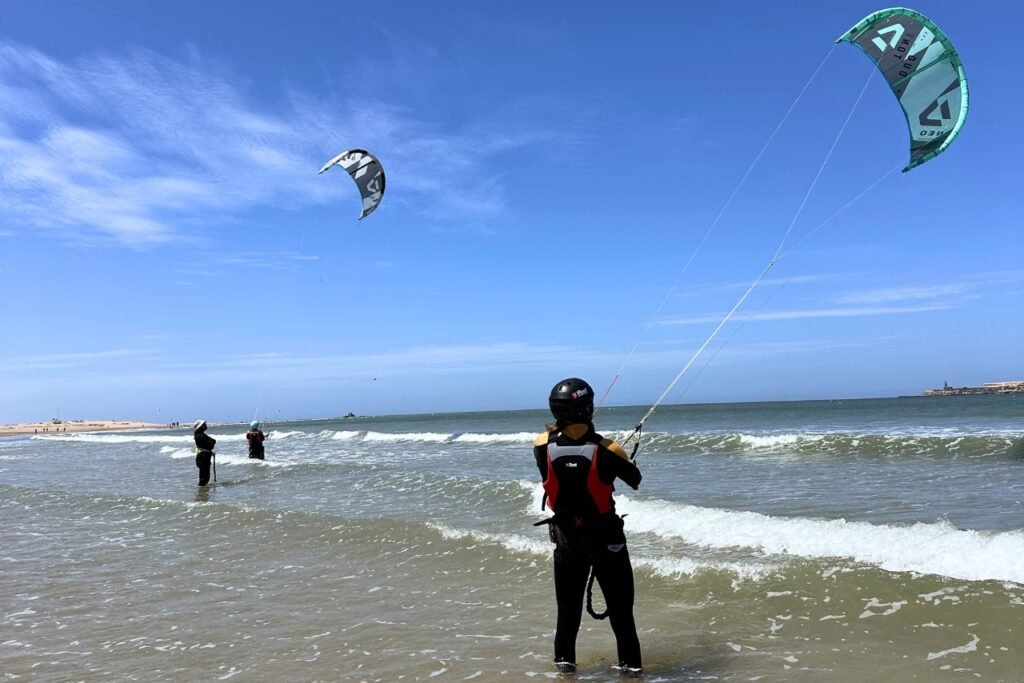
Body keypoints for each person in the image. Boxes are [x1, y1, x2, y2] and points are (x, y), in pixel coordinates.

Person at [533, 378, 643, 675]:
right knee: (621, 616)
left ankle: (565, 671)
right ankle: (632, 671)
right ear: (587, 407)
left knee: (567, 614)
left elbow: (565, 462)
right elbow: (635, 480)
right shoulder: (610, 449)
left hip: (567, 541)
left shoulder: (541, 445)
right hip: (607, 542)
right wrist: (620, 454)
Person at [193, 419, 216, 486]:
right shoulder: (200, 436)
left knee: (205, 477)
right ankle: (201, 493)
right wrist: (212, 442)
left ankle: (202, 491)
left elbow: (212, 441)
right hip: (203, 457)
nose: (206, 425)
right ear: (201, 427)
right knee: (204, 478)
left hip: (203, 456)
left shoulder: (199, 434)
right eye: (204, 424)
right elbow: (212, 441)